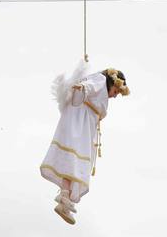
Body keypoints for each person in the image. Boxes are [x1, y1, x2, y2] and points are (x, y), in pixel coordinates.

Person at [41, 60, 129, 224]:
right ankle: (65, 198)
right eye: (116, 91)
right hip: (78, 125)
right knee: (73, 159)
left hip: (83, 127)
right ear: (112, 82)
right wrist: (82, 88)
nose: (115, 95)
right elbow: (89, 85)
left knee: (73, 163)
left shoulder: (103, 89)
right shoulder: (101, 80)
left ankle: (65, 198)